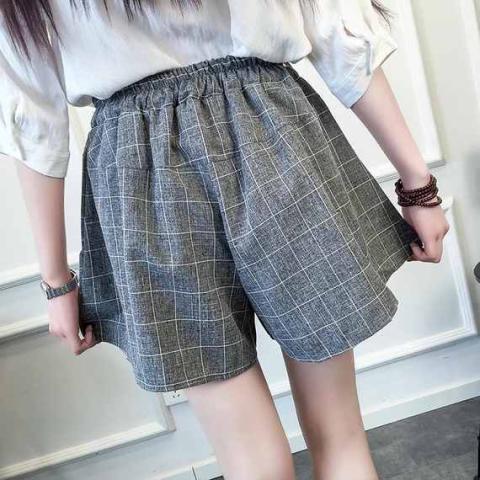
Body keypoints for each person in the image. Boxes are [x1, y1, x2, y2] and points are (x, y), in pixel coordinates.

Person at [0, 1, 449, 479]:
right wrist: (418, 186)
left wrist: (57, 283)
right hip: (270, 133)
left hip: (142, 178)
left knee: (254, 464)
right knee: (340, 438)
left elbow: (35, 121)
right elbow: (337, 30)